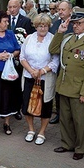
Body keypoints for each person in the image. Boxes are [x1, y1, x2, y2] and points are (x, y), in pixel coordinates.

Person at [49, 8, 84, 160]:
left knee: (79, 121)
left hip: (79, 88)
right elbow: (52, 49)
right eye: (74, 23)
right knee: (64, 118)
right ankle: (67, 144)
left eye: (78, 23)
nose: (75, 26)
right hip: (64, 85)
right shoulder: (68, 38)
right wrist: (60, 32)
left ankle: (80, 148)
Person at [20, 14, 59, 145]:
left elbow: (55, 61)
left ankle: (42, 132)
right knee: (26, 105)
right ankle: (31, 130)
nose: (43, 29)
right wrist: (31, 71)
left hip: (45, 78)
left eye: (45, 26)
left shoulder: (53, 39)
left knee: (45, 106)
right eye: (40, 26)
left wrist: (41, 71)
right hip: (29, 76)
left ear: (49, 26)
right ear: (36, 26)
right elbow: (22, 57)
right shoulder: (29, 38)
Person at [8, 0, 35, 121]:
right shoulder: (4, 20)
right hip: (6, 57)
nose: (12, 10)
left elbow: (29, 39)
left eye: (14, 7)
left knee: (18, 85)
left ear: (19, 7)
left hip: (20, 59)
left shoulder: (26, 21)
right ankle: (8, 107)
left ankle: (17, 109)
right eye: (10, 7)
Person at [49, 0, 74, 124]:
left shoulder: (75, 24)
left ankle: (69, 115)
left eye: (63, 9)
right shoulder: (56, 23)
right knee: (58, 88)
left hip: (71, 62)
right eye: (59, 9)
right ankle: (59, 113)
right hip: (56, 59)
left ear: (70, 10)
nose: (60, 12)